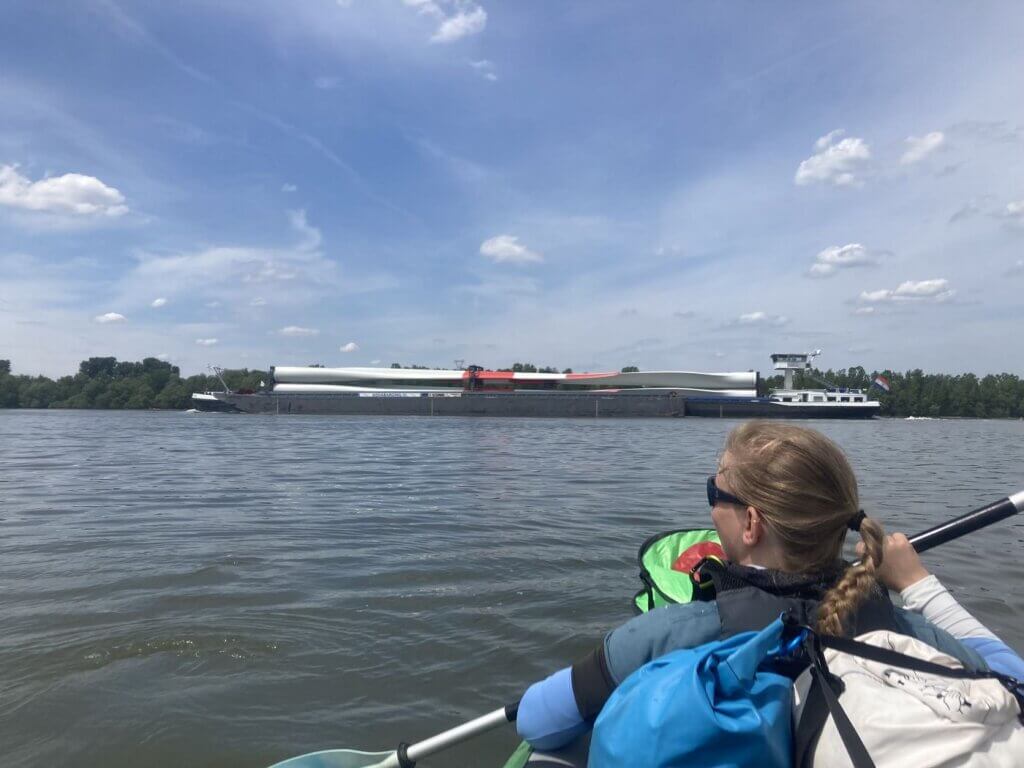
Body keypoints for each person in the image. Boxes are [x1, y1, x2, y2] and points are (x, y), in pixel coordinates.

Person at [516, 421, 1023, 756]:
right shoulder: (903, 628)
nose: (711, 506)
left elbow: (540, 723)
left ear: (751, 524)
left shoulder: (668, 633)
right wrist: (917, 583)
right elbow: (1011, 678)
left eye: (715, 492)